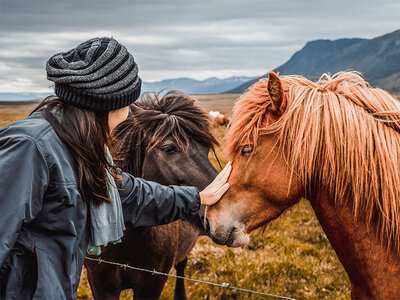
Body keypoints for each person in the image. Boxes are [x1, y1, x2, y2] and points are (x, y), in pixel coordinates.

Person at [0, 37, 231, 299]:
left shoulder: (79, 148)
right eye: (127, 105)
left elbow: (129, 194)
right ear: (106, 106)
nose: (129, 115)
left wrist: (196, 197)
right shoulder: (31, 147)